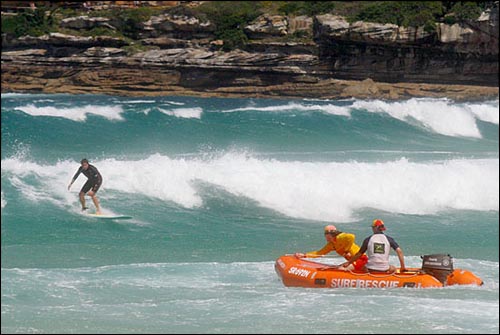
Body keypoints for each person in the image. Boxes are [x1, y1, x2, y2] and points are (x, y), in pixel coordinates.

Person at [342, 219, 406, 273]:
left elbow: (359, 254)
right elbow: (399, 251)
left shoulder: (368, 239)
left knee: (360, 267)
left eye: (373, 227)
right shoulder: (389, 239)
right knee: (394, 269)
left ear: (375, 228)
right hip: (384, 269)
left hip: (370, 269)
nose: (372, 229)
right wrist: (402, 267)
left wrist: (349, 262)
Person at [295, 225, 368, 271]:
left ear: (332, 234)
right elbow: (319, 253)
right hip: (351, 261)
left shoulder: (340, 237)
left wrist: (346, 250)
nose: (326, 236)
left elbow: (352, 236)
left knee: (339, 268)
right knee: (339, 267)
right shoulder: (331, 245)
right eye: (325, 234)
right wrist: (304, 255)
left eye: (327, 234)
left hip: (361, 258)